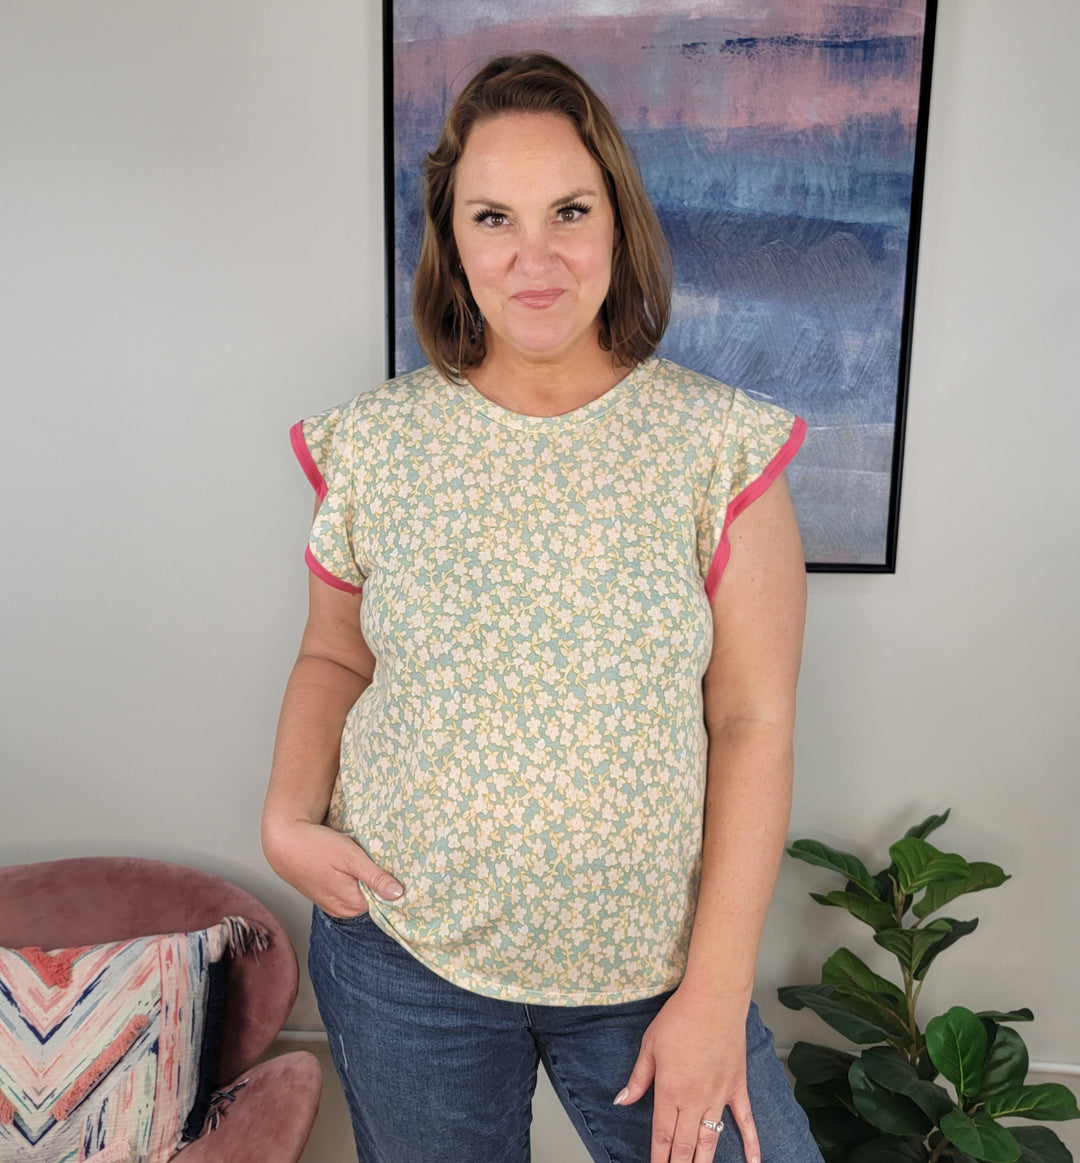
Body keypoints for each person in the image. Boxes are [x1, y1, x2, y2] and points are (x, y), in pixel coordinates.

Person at [262, 52, 822, 1163]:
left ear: (617, 220)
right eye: (493, 217)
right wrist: (286, 818)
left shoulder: (721, 449)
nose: (535, 257)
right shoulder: (374, 444)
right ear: (452, 239)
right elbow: (334, 656)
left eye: (569, 210)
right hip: (405, 959)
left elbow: (751, 722)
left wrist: (715, 995)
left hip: (652, 971)